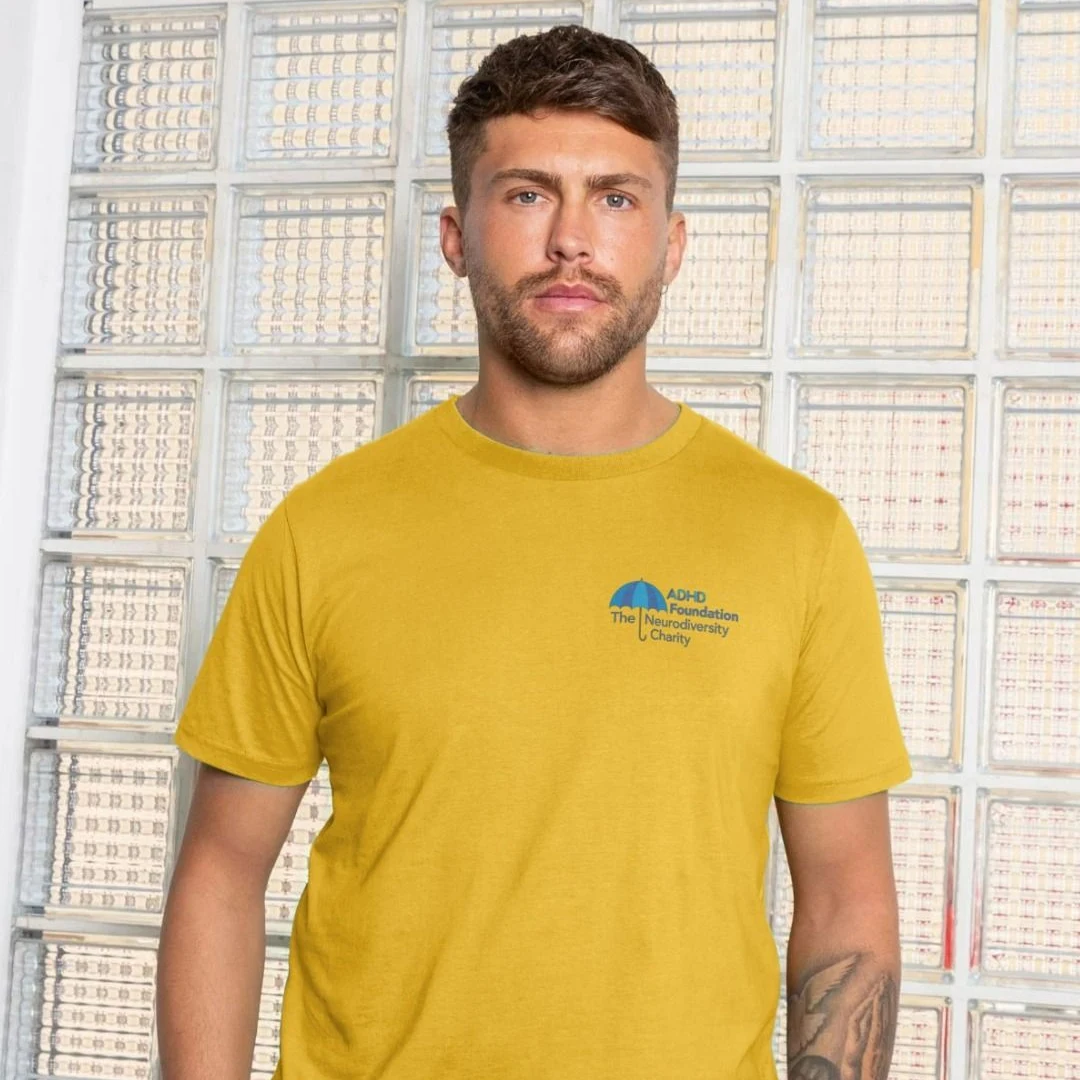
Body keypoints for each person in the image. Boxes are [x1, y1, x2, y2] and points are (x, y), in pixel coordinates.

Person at [157, 24, 912, 1080]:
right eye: (526, 194)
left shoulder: (795, 537)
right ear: (456, 237)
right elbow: (221, 874)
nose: (571, 240)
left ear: (672, 244)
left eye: (616, 198)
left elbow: (846, 903)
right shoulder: (324, 529)